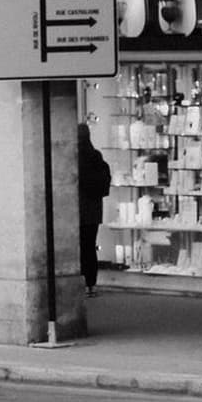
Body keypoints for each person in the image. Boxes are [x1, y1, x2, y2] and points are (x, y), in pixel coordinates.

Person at [77, 121, 113, 293]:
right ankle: (90, 283)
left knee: (80, 247)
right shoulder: (96, 156)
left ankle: (82, 280)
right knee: (90, 246)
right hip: (93, 210)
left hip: (78, 209)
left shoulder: (75, 158)